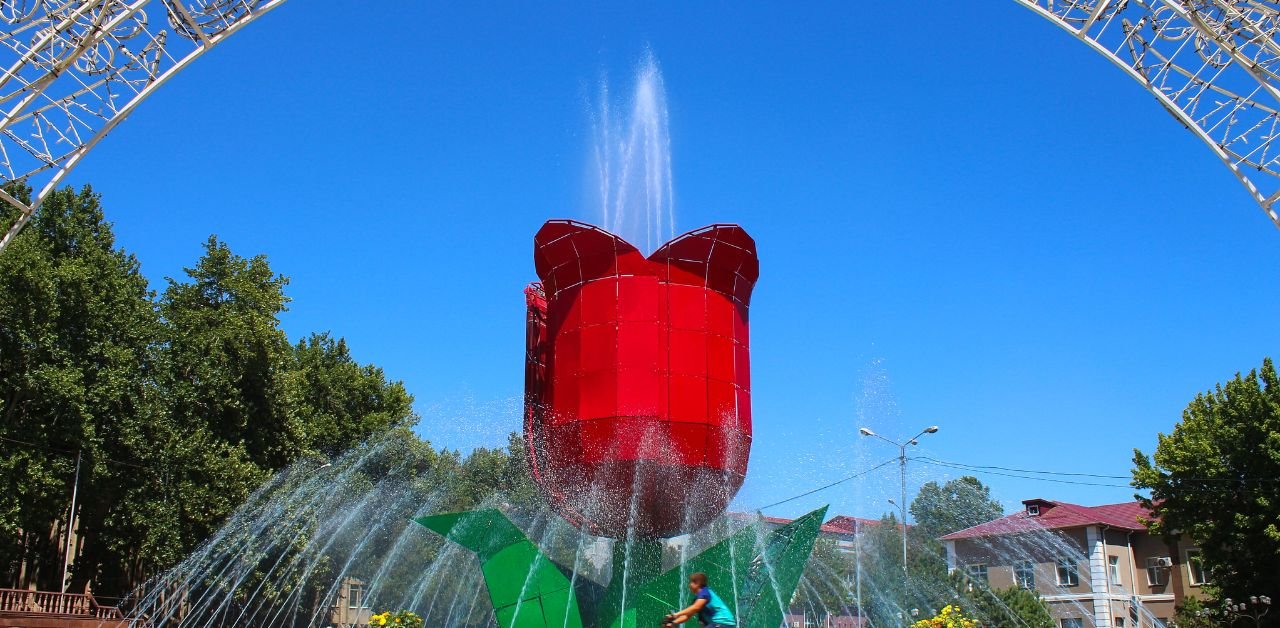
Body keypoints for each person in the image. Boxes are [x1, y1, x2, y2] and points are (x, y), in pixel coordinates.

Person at [663, 572, 736, 627]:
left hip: (723, 623)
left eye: (691, 582)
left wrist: (675, 615)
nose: (689, 585)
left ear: (697, 583)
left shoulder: (705, 592)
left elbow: (695, 607)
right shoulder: (698, 599)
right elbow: (687, 616)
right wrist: (673, 623)